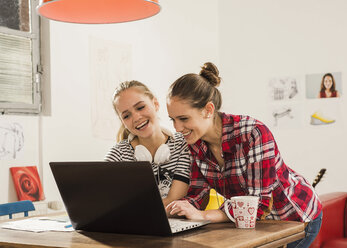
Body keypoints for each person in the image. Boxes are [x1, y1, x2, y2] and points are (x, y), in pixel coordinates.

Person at [166, 63, 323, 248]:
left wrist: (204, 215)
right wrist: (178, 209)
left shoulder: (253, 133)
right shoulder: (194, 143)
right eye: (172, 119)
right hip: (256, 224)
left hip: (295, 217)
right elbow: (197, 193)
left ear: (208, 110)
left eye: (183, 119)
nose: (177, 128)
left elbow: (258, 203)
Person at [105, 80, 191, 207]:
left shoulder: (182, 145)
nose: (136, 118)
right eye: (127, 116)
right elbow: (97, 195)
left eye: (140, 107)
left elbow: (174, 200)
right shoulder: (118, 154)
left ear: (155, 104)